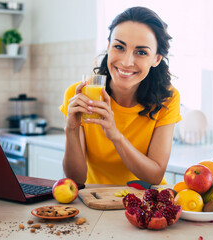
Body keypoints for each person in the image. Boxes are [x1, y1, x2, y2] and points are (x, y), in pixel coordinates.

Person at [59, 6, 181, 186]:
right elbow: (75, 179)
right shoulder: (80, 95)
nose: (126, 62)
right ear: (108, 47)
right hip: (96, 201)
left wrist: (115, 135)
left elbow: (154, 176)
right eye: (119, 47)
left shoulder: (168, 98)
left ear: (156, 59)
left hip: (146, 204)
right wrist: (71, 129)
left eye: (141, 52)